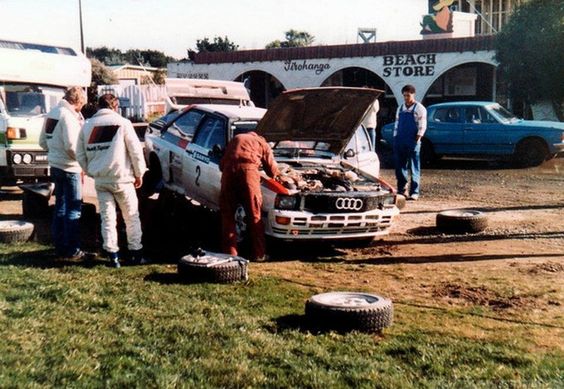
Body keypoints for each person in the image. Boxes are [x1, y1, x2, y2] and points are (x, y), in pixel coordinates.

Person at [76, 94, 147, 268]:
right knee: (131, 217)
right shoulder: (123, 123)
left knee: (107, 218)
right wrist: (139, 173)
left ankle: (112, 255)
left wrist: (90, 171)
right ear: (115, 107)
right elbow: (136, 151)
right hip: (122, 178)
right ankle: (135, 254)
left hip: (101, 180)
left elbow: (79, 154)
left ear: (99, 107)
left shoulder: (87, 126)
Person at [39, 86, 86, 259]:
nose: (81, 108)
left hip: (55, 166)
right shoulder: (68, 117)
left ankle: (60, 246)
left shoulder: (52, 113)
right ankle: (73, 250)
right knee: (74, 209)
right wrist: (84, 163)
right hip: (70, 167)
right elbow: (72, 147)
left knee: (60, 206)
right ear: (78, 101)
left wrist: (54, 152)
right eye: (81, 104)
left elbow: (42, 141)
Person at [219, 130, 280, 262]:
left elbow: (221, 164)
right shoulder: (262, 143)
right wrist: (280, 174)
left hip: (228, 173)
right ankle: (259, 254)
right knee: (254, 215)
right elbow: (272, 171)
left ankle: (230, 254)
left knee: (228, 215)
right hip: (248, 174)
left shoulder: (236, 138)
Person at [393, 84, 427, 201]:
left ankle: (415, 192)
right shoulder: (400, 108)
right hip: (400, 140)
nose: (406, 98)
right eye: (404, 95)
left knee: (414, 166)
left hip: (413, 140)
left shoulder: (419, 108)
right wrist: (395, 137)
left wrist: (418, 138)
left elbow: (422, 125)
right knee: (400, 166)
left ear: (413, 94)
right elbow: (397, 124)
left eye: (408, 95)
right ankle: (402, 190)